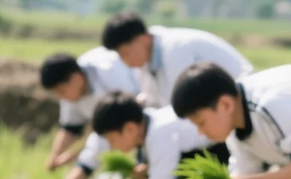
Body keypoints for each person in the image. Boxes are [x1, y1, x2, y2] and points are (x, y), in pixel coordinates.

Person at [90, 92, 222, 179]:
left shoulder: (160, 133)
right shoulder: (146, 125)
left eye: (112, 139)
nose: (111, 146)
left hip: (215, 151)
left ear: (130, 129)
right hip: (189, 155)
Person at [40, 49, 141, 179]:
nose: (61, 97)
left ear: (75, 79)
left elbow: (104, 139)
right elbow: (69, 128)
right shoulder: (72, 95)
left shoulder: (109, 74)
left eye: (61, 91)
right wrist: (55, 157)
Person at [100, 11, 253, 110]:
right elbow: (157, 104)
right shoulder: (147, 63)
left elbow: (182, 106)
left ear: (143, 39)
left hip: (242, 103)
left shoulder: (176, 52)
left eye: (126, 53)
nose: (125, 61)